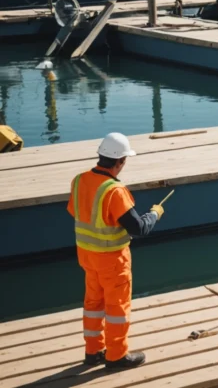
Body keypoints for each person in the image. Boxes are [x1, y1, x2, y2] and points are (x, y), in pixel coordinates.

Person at [68, 133, 164, 369]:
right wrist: (155, 214)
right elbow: (138, 228)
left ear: (101, 155)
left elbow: (78, 212)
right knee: (116, 308)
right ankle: (116, 355)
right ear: (120, 161)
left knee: (93, 304)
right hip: (112, 260)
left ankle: (93, 352)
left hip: (87, 257)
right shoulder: (114, 191)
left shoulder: (79, 180)